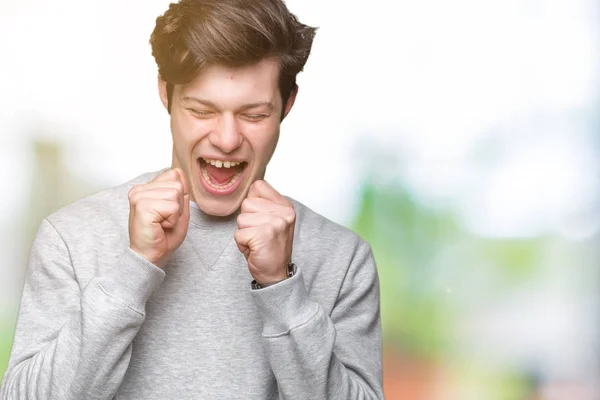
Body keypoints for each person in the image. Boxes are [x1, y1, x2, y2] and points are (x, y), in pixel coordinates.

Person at [0, 0, 383, 398]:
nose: (227, 139)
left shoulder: (343, 259)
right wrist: (134, 270)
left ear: (287, 105)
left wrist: (282, 287)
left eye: (254, 115)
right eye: (202, 110)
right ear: (166, 94)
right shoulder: (72, 237)